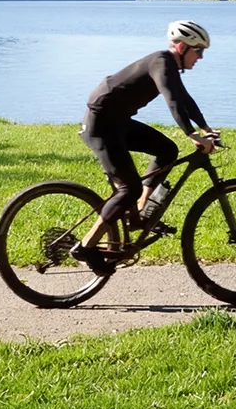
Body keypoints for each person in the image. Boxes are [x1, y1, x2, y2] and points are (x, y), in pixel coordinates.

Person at [70, 19, 219, 273]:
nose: (201, 57)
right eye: (199, 50)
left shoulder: (169, 66)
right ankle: (85, 246)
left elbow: (184, 99)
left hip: (116, 122)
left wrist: (205, 128)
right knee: (129, 188)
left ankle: (139, 214)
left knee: (167, 151)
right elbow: (172, 102)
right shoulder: (162, 62)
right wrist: (193, 135)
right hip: (102, 125)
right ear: (183, 47)